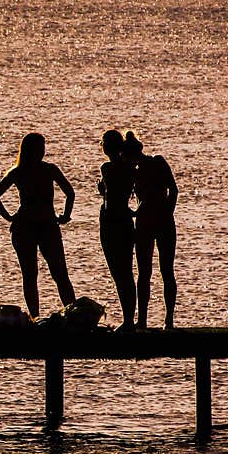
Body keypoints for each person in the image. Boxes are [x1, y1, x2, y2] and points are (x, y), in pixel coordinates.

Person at [0, 132, 76, 319]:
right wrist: (9, 217)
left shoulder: (31, 171)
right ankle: (39, 317)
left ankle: (72, 313)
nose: (42, 151)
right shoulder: (33, 171)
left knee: (56, 273)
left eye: (43, 147)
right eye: (39, 147)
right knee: (35, 275)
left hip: (40, 226)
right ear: (31, 150)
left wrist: (65, 215)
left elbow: (70, 192)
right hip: (31, 227)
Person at [123, 130, 178, 329]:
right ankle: (162, 320)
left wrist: (165, 212)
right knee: (163, 271)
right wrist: (166, 211)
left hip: (151, 222)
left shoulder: (142, 168)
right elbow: (173, 191)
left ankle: (153, 320)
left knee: (149, 272)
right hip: (154, 221)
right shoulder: (153, 164)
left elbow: (173, 190)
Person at [98, 129, 136, 331]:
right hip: (125, 220)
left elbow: (110, 196)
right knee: (126, 272)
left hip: (111, 220)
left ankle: (128, 321)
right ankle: (129, 318)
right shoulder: (131, 168)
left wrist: (102, 190)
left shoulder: (107, 168)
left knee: (118, 272)